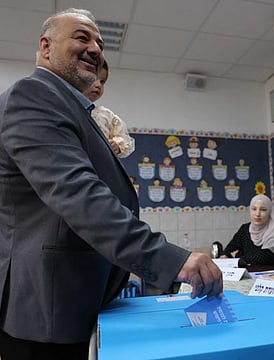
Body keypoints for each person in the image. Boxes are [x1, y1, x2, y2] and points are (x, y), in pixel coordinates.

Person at [0, 8, 222, 360]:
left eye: (100, 43)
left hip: (77, 302)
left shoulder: (78, 112)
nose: (95, 49)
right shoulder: (34, 96)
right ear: (45, 47)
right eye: (82, 37)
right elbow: (79, 196)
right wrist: (171, 260)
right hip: (44, 313)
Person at [221, 194, 274, 271]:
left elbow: (260, 258)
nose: (257, 214)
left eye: (263, 210)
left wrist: (237, 256)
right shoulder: (245, 229)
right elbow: (228, 249)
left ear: (270, 212)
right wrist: (227, 255)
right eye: (254, 209)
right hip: (252, 274)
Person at [83, 59, 135, 157]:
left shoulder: (106, 115)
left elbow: (124, 139)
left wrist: (117, 146)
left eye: (102, 81)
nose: (98, 85)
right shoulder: (66, 108)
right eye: (93, 79)